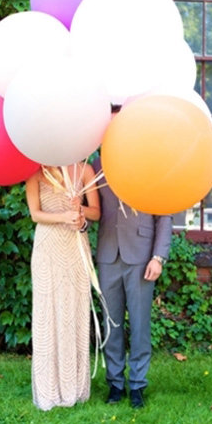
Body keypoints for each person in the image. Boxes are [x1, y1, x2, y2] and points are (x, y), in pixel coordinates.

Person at [93, 156, 172, 409]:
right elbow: (91, 208)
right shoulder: (97, 165)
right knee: (110, 323)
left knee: (139, 324)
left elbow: (164, 215)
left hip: (141, 254)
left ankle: (137, 384)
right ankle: (115, 383)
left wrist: (158, 257)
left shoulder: (149, 163)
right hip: (108, 254)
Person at [26, 163, 100, 411]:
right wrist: (62, 217)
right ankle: (49, 388)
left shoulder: (85, 170)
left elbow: (96, 213)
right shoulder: (35, 172)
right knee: (48, 312)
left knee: (74, 311)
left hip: (76, 245)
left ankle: (74, 387)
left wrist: (79, 209)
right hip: (48, 246)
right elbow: (35, 214)